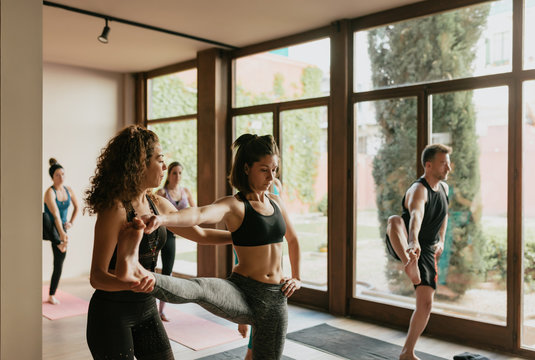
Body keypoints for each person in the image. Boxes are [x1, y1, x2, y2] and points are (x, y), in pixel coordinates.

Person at [115, 133, 301, 360]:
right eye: (264, 169)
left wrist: (297, 277)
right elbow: (199, 214)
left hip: (274, 298)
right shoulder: (234, 205)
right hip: (241, 289)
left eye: (274, 169)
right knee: (199, 288)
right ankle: (138, 274)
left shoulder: (277, 202)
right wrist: (163, 219)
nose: (271, 176)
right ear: (246, 168)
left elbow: (293, 240)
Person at [84, 125, 231, 360]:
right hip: (111, 314)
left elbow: (200, 235)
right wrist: (132, 284)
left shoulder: (157, 204)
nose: (164, 166)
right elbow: (97, 277)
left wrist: (243, 238)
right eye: (159, 159)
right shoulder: (116, 209)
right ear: (139, 163)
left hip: (147, 309)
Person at [385, 144, 451, 360]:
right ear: (429, 165)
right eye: (443, 163)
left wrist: (441, 240)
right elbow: (416, 216)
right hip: (405, 242)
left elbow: (444, 216)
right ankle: (409, 265)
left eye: (448, 162)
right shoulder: (419, 189)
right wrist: (412, 244)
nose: (448, 168)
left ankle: (407, 352)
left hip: (429, 248)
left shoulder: (444, 189)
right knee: (394, 220)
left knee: (426, 304)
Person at [155, 161, 196, 322]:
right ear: (169, 175)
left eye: (180, 173)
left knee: (167, 271)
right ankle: (149, 306)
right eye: (174, 173)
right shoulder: (162, 193)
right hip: (161, 234)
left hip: (173, 236)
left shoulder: (185, 191)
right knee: (150, 268)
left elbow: (195, 211)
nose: (177, 176)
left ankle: (161, 311)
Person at [44, 158, 79, 305]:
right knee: (44, 217)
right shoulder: (49, 193)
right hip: (49, 228)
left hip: (62, 230)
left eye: (63, 174)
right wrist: (62, 237)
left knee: (59, 262)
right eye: (58, 175)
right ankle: (58, 242)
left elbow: (77, 207)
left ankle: (52, 294)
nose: (61, 177)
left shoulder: (68, 190)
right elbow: (56, 216)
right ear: (52, 177)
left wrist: (70, 223)